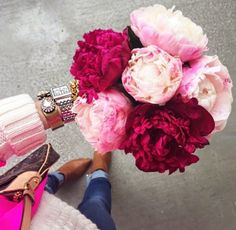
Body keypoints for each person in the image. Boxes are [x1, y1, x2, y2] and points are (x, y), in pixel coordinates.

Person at [0, 93, 116, 230]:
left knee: (42, 185)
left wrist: (49, 110)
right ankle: (99, 171)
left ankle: (60, 175)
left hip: (18, 202)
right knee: (97, 201)